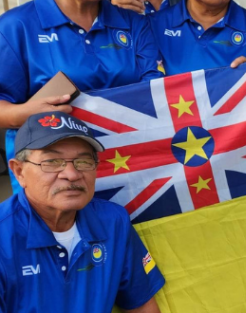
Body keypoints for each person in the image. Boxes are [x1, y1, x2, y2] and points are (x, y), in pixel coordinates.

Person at [0, 0, 163, 194]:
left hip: (131, 171)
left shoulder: (135, 23)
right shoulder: (16, 26)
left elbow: (158, 92)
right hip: (52, 182)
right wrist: (23, 113)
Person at [0, 111, 165, 312]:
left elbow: (141, 305)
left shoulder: (113, 221)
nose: (71, 174)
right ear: (19, 172)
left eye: (83, 162)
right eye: (52, 162)